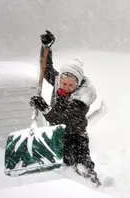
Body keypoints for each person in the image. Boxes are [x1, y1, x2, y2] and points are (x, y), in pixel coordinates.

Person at [29, 30, 101, 187]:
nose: (67, 87)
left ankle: (96, 188)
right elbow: (46, 69)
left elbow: (63, 117)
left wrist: (45, 108)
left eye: (71, 85)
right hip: (59, 134)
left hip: (76, 136)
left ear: (77, 84)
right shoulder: (58, 80)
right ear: (60, 79)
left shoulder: (83, 96)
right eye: (64, 83)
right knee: (64, 168)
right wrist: (46, 48)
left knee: (83, 167)